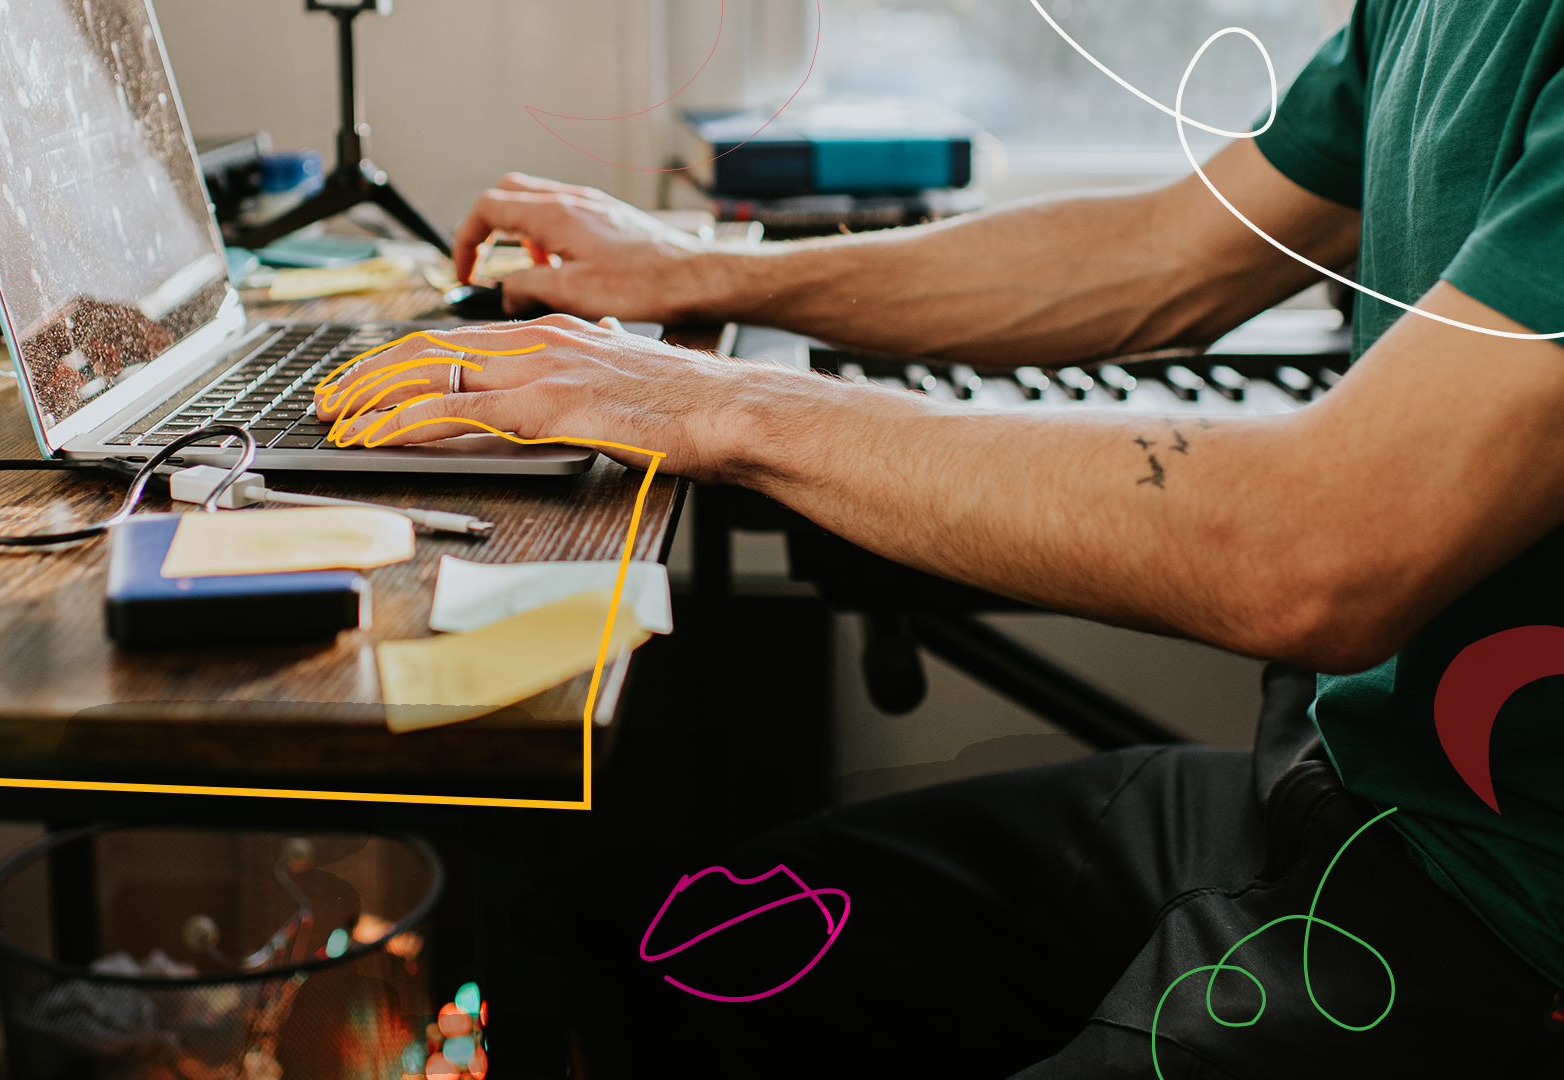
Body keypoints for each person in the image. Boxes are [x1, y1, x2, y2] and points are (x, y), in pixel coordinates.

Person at [319, 2, 1564, 1075]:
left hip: (1499, 924)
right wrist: (704, 269)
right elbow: (1168, 255)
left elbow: (1322, 546)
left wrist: (709, 403)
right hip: (1326, 786)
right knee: (688, 967)